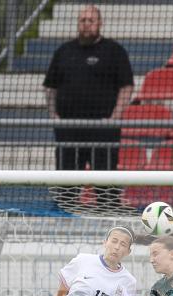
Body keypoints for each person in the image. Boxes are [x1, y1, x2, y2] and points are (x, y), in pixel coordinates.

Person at [44, 5, 134, 171]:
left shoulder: (114, 51)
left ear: (100, 23)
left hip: (103, 131)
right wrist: (54, 116)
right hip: (68, 132)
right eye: (82, 20)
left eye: (91, 20)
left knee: (106, 187)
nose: (86, 24)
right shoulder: (64, 51)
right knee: (67, 187)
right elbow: (50, 87)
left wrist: (115, 117)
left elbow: (126, 86)